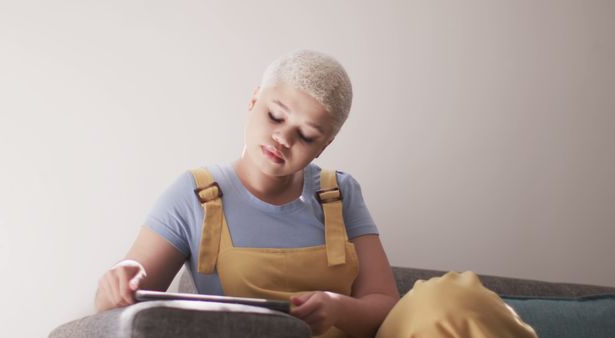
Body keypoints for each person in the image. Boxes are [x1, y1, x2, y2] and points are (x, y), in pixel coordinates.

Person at [94, 50, 538, 338]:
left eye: (306, 135)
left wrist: (339, 310)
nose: (283, 139)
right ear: (253, 100)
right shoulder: (195, 193)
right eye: (275, 115)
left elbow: (385, 303)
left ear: (325, 144)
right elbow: (122, 296)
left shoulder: (340, 193)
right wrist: (121, 277)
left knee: (450, 296)